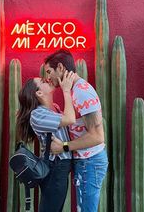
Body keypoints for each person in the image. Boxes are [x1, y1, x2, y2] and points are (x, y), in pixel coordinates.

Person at [44, 49, 108, 212]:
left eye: (49, 71)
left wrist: (64, 146)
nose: (47, 77)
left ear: (60, 67)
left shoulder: (81, 92)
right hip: (86, 161)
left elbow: (97, 136)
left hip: (90, 162)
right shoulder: (74, 90)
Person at [16, 71, 76, 212]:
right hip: (56, 167)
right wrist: (66, 91)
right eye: (43, 81)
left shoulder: (52, 109)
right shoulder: (37, 114)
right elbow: (70, 119)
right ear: (39, 94)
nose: (47, 80)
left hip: (60, 167)